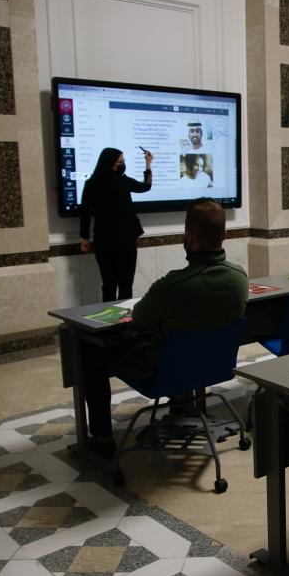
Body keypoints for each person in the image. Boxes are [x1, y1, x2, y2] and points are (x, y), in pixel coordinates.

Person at [81, 198, 248, 457]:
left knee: (90, 354)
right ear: (225, 235)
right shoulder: (240, 278)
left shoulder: (169, 287)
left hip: (162, 370)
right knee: (185, 341)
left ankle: (102, 439)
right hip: (213, 365)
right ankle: (180, 406)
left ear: (189, 238)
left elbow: (140, 319)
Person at [80, 147, 153, 301]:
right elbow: (146, 186)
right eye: (120, 162)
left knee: (108, 284)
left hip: (102, 241)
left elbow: (85, 213)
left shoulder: (91, 183)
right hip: (125, 240)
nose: (122, 164)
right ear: (110, 163)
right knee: (125, 285)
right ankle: (124, 323)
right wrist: (148, 164)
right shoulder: (123, 181)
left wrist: (84, 238)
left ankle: (106, 322)